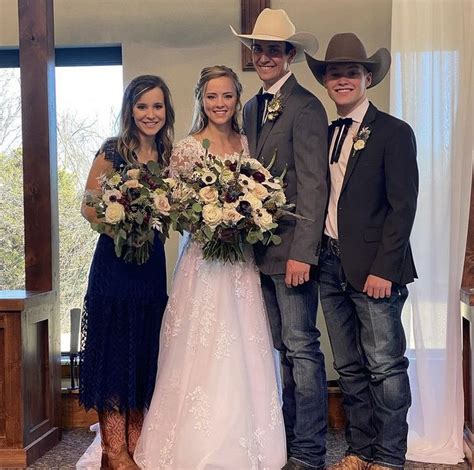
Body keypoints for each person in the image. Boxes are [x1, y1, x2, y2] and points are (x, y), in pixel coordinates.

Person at [134, 65, 286, 469]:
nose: (220, 104)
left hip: (240, 263)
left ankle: (248, 442)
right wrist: (207, 214)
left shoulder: (247, 142)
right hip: (203, 261)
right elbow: (177, 212)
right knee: (199, 348)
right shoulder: (187, 148)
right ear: (201, 100)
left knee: (243, 345)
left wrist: (243, 217)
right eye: (211, 96)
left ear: (237, 99)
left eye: (227, 96)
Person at [305, 33, 418, 470]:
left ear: (367, 77)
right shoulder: (328, 133)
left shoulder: (393, 132)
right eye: (335, 73)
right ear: (326, 81)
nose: (343, 80)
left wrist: (384, 269)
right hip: (330, 265)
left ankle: (389, 458)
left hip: (376, 269)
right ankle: (359, 451)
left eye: (352, 72)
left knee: (385, 367)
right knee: (349, 367)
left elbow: (403, 207)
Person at [231, 8, 328, 470]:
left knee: (302, 348)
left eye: (274, 49)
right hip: (257, 254)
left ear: (289, 55)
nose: (265, 56)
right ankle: (284, 442)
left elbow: (313, 186)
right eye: (259, 48)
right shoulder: (249, 108)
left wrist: (303, 254)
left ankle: (309, 451)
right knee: (277, 351)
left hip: (292, 254)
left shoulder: (307, 107)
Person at [79, 75, 174, 470]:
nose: (150, 114)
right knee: (115, 358)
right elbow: (88, 206)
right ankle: (114, 452)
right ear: (129, 110)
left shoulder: (170, 156)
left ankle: (132, 451)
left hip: (151, 269)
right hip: (114, 267)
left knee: (143, 357)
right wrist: (123, 223)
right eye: (142, 106)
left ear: (166, 111)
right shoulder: (111, 151)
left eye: (157, 106)